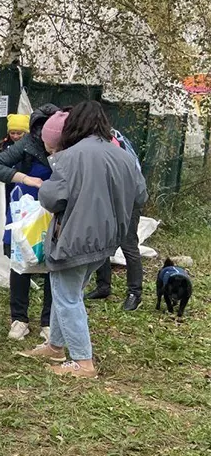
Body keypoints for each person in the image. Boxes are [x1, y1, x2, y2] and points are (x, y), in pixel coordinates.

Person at [20, 102, 147, 378]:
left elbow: (52, 198)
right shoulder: (122, 155)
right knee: (68, 290)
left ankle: (82, 361)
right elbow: (140, 195)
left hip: (75, 237)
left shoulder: (69, 157)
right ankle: (55, 346)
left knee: (66, 295)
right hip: (107, 238)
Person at [0, 105, 61, 341]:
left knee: (53, 264)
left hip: (56, 210)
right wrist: (25, 178)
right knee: (20, 264)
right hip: (25, 211)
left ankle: (48, 322)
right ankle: (19, 320)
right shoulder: (27, 144)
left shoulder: (70, 146)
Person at [84, 127, 145, 310]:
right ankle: (103, 286)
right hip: (108, 200)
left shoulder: (116, 147)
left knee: (128, 245)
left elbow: (137, 187)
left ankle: (135, 293)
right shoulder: (95, 143)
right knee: (102, 242)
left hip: (129, 200)